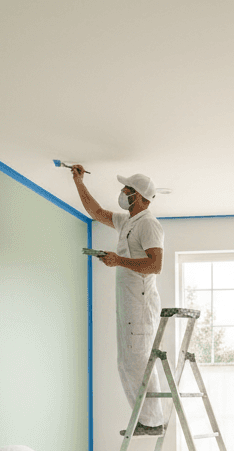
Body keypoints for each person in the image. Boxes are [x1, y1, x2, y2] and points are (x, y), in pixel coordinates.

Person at [67, 165, 167, 436]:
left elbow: (155, 265)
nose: (122, 192)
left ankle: (153, 422)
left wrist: (117, 260)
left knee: (136, 361)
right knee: (127, 361)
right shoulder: (127, 222)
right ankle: (147, 420)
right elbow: (97, 213)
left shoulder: (148, 224)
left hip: (140, 303)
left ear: (140, 196)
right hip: (129, 302)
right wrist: (78, 182)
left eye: (128, 190)